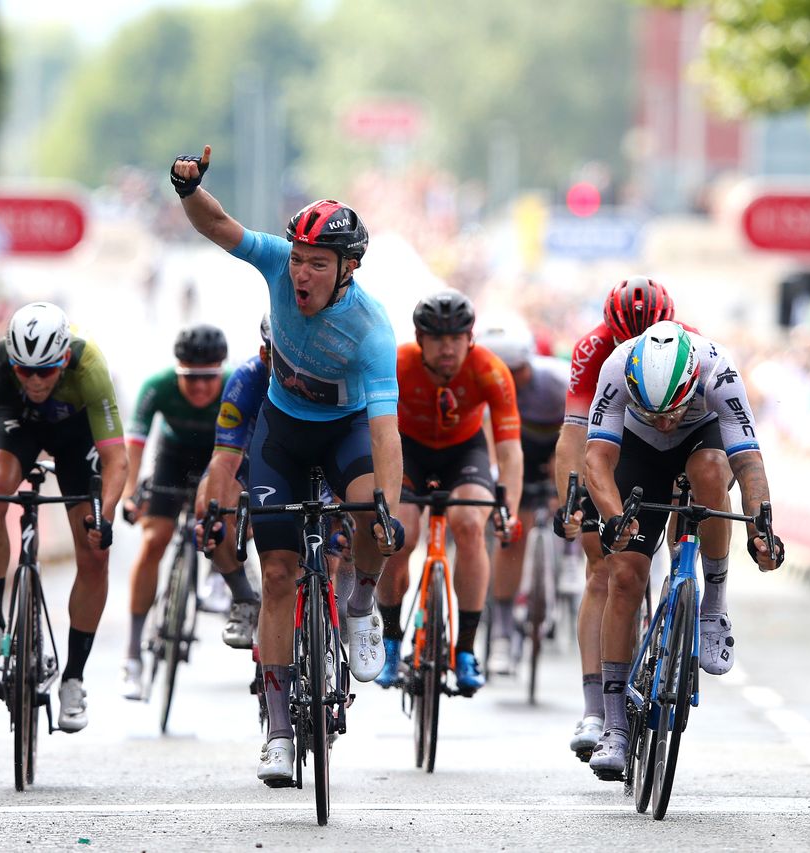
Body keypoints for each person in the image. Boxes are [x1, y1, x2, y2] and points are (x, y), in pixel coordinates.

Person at [171, 145, 404, 786]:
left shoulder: (371, 328)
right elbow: (219, 226)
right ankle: (276, 730)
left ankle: (360, 603)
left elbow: (384, 433)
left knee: (371, 514)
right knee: (277, 573)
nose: (301, 274)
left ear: (347, 269)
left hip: (347, 432)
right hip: (281, 431)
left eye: (317, 265)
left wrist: (386, 502)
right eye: (297, 260)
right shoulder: (275, 264)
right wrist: (188, 189)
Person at [582, 320, 785, 778]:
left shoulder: (719, 370)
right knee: (626, 577)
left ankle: (713, 605)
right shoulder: (617, 368)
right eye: (653, 410)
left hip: (703, 441)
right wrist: (615, 519)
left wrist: (763, 528)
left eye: (672, 409)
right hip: (638, 451)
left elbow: (748, 462)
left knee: (712, 471)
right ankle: (615, 727)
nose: (665, 420)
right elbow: (597, 458)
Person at [0, 301, 126, 734]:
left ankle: (74, 678)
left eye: (45, 370)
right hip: (15, 424)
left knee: (95, 550)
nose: (36, 379)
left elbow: (117, 460)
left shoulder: (90, 366)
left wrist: (106, 514)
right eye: (25, 371)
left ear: (63, 358)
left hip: (76, 433)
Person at [554, 276, 716, 761]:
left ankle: (682, 609)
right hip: (620, 443)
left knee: (684, 509)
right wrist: (574, 499)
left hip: (677, 442)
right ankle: (594, 710)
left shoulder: (692, 343)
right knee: (604, 570)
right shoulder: (593, 351)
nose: (634, 349)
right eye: (624, 340)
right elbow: (573, 436)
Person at [374, 290, 523, 691]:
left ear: (470, 338)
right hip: (409, 452)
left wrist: (507, 504)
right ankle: (389, 639)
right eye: (437, 339)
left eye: (456, 338)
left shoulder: (489, 370)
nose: (447, 348)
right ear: (419, 339)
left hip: (465, 452)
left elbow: (510, 448)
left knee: (470, 525)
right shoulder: (399, 364)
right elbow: (372, 429)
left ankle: (467, 649)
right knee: (398, 535)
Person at [118, 323, 247, 698]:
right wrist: (130, 495)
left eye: (209, 378)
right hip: (172, 457)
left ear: (221, 370)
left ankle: (218, 573)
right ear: (177, 369)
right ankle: (132, 655)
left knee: (226, 513)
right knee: (154, 538)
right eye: (191, 378)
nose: (201, 388)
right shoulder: (157, 386)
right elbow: (135, 446)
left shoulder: (235, 384)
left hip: (220, 454)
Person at [476, 321, 569, 675]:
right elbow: (490, 449)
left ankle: (569, 557)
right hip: (512, 452)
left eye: (515, 373)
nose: (506, 382)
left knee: (568, 497)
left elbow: (578, 431)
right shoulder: (483, 388)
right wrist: (498, 486)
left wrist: (562, 472)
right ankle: (500, 629)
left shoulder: (556, 381)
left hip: (554, 443)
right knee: (513, 533)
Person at [193, 315, 275, 650]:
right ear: (264, 354)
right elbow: (224, 460)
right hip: (252, 462)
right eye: (279, 356)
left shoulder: (324, 373)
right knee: (208, 507)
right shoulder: (246, 379)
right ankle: (243, 596)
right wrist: (213, 516)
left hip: (308, 463)